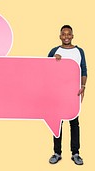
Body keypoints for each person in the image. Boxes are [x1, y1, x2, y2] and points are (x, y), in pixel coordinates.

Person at [48, 25, 87, 165]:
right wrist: (53, 60)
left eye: (68, 34)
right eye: (63, 34)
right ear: (60, 36)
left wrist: (83, 87)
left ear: (72, 36)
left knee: (74, 123)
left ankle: (75, 153)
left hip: (73, 93)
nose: (66, 36)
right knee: (57, 122)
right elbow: (44, 69)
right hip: (56, 92)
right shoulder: (54, 51)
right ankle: (57, 153)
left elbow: (83, 69)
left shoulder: (79, 51)